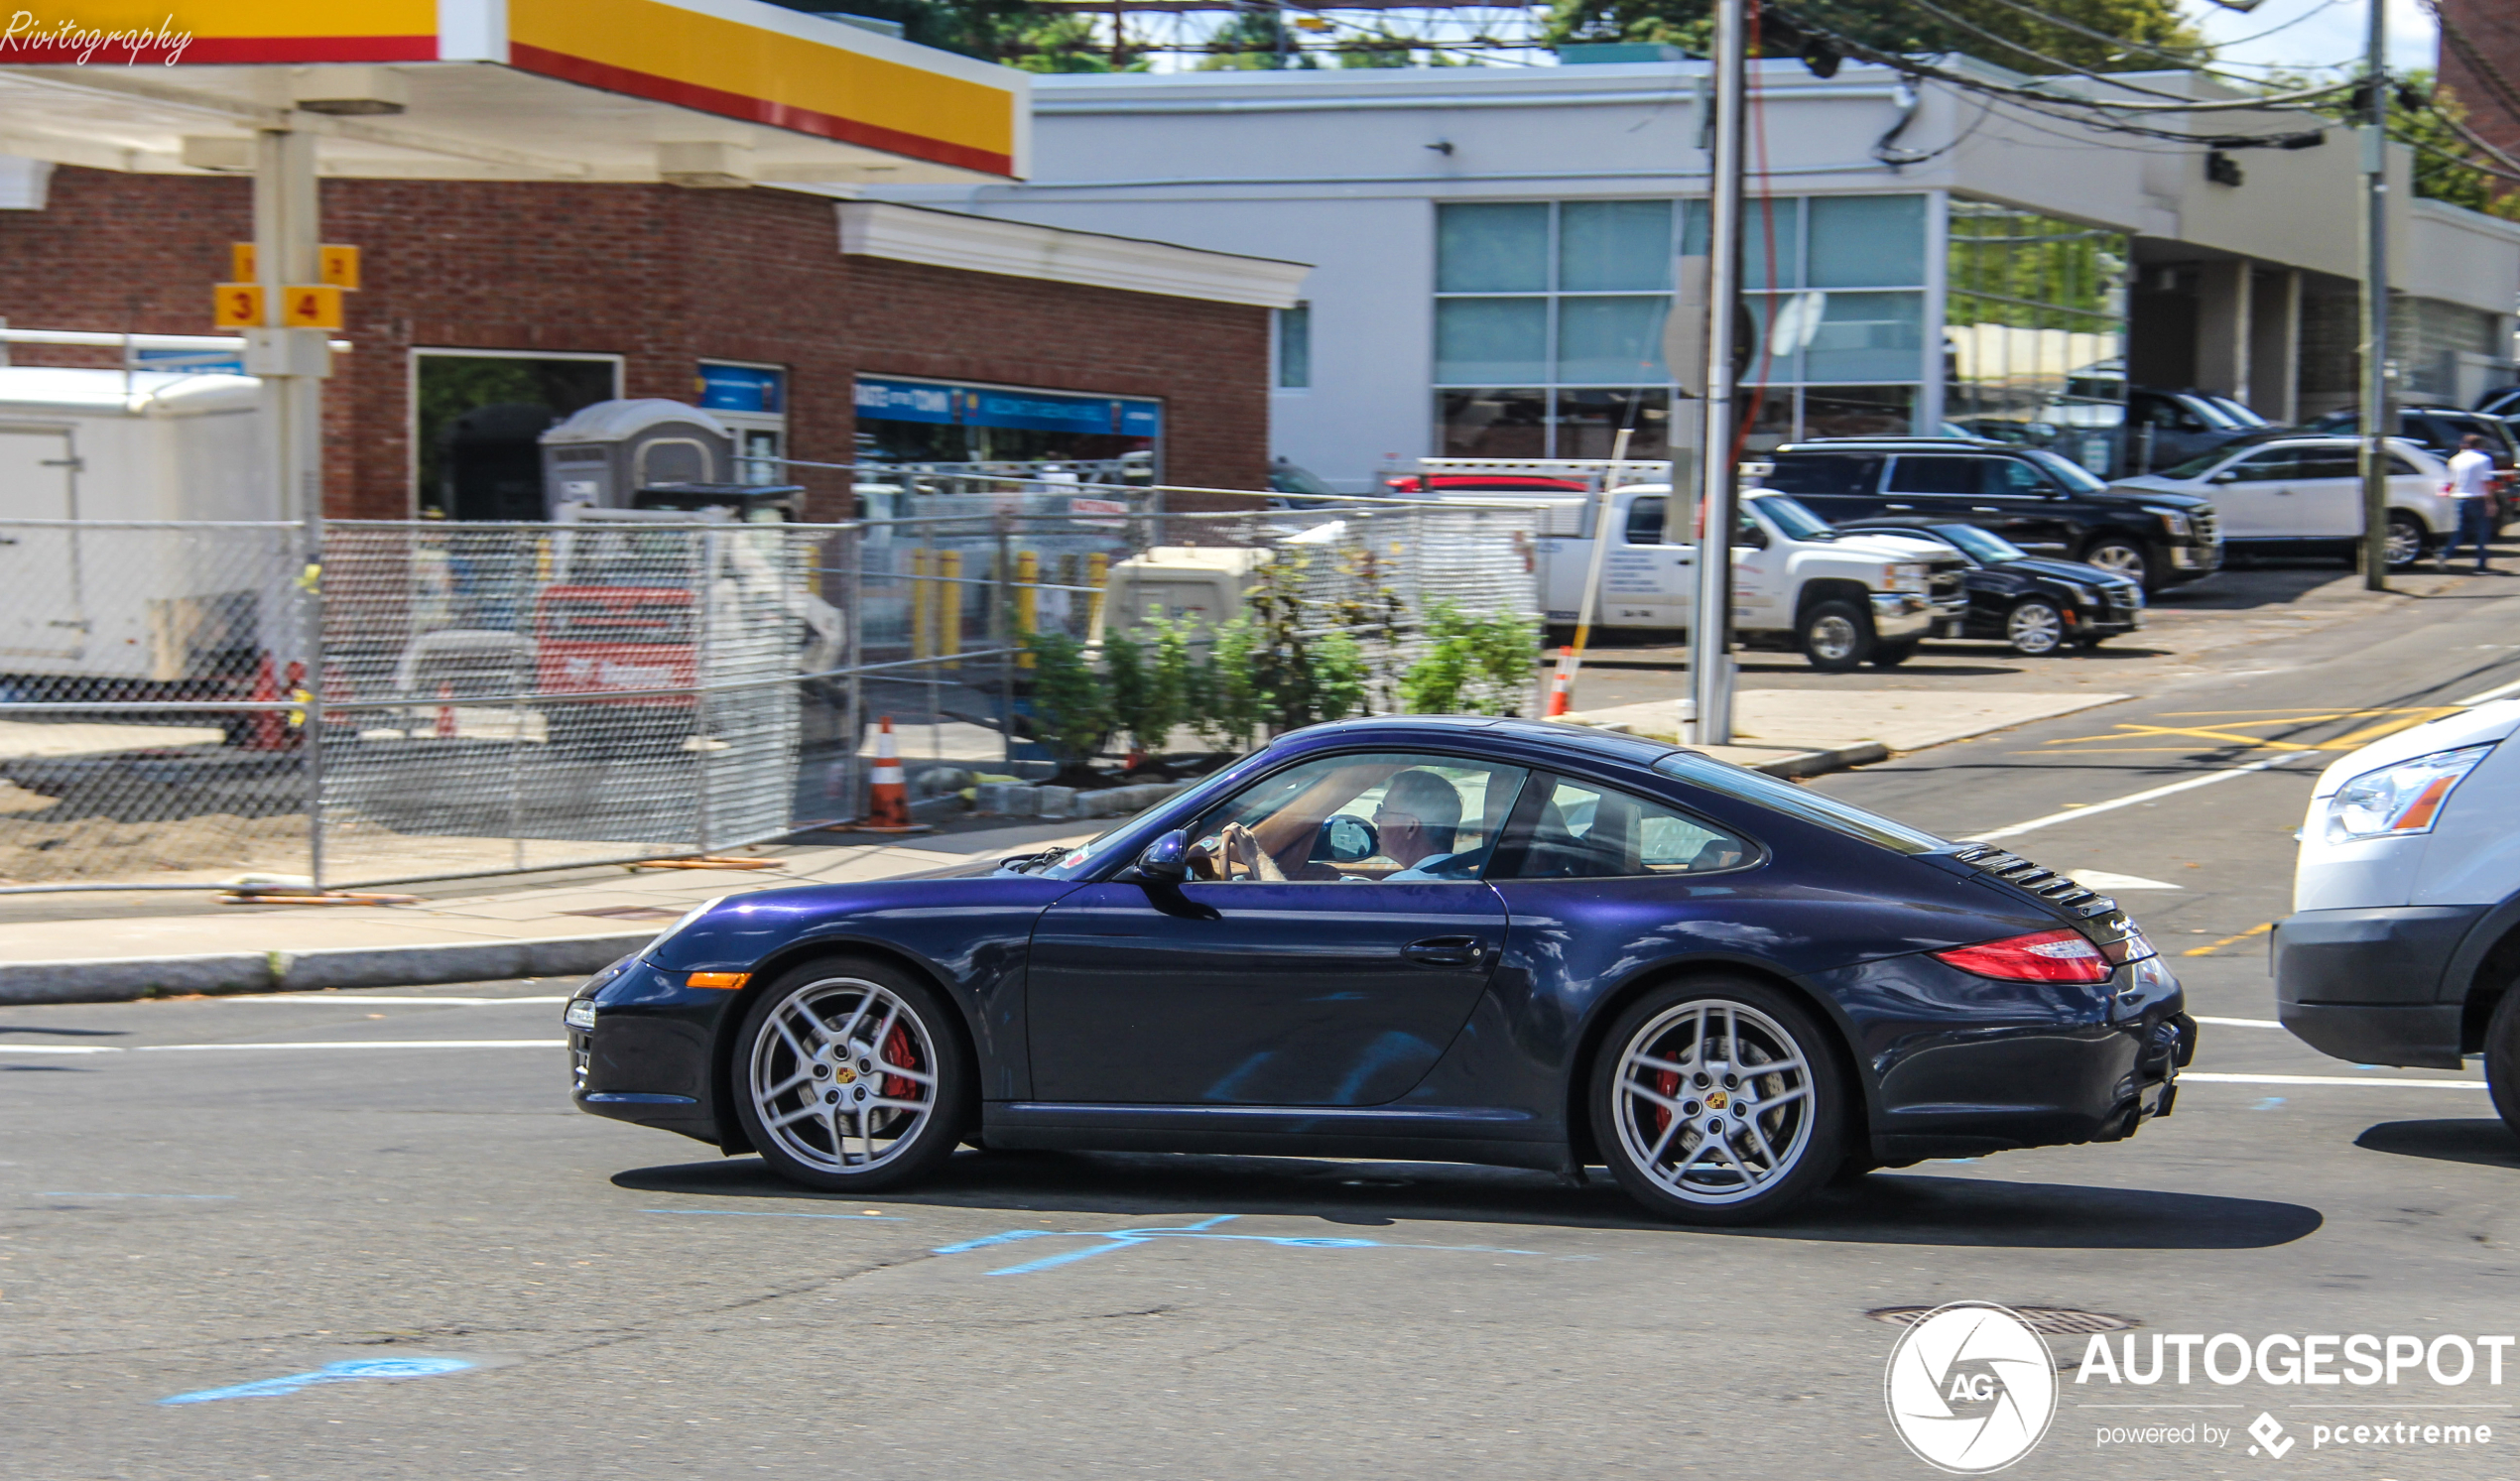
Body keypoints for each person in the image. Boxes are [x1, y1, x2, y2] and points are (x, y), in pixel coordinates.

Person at [2441, 434, 2497, 573]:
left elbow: (2451, 482)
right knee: (2482, 532)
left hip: (2459, 498)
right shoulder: (2484, 459)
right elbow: (2486, 483)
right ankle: (2481, 565)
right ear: (2480, 445)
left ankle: (2445, 554)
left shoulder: (2455, 460)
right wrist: (2491, 502)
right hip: (2477, 498)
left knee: (2461, 531)